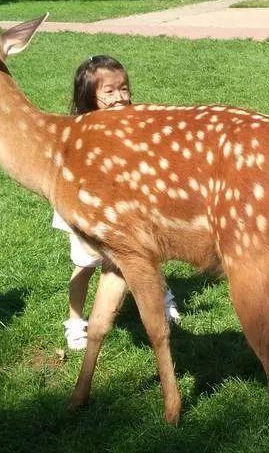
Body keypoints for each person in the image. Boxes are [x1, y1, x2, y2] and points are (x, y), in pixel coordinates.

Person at [53, 56, 180, 351]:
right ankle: (74, 322)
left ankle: (164, 300)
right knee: (85, 265)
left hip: (127, 205)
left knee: (145, 254)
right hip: (85, 208)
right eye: (109, 91)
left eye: (123, 88)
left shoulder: (133, 121)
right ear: (89, 96)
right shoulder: (80, 130)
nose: (120, 97)